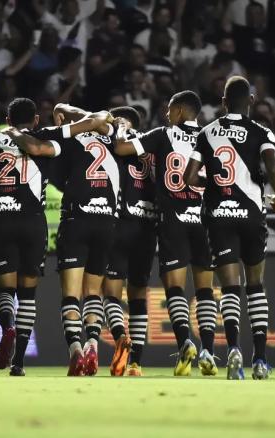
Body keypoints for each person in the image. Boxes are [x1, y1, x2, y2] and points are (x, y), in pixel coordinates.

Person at [0, 98, 111, 376]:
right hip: (33, 222)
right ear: (35, 120)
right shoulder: (46, 136)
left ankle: (7, 327)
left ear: (7, 120)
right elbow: (95, 121)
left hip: (1, 220)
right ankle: (18, 363)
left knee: (6, 291)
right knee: (28, 295)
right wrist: (97, 112)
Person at [184, 76, 275, 380]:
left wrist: (212, 184)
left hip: (220, 215)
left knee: (229, 287)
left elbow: (189, 177)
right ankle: (260, 359)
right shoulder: (262, 132)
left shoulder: (207, 132)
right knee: (255, 286)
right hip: (252, 215)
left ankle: (232, 351)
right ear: (251, 100)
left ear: (223, 102)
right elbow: (272, 166)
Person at [115, 92, 217, 377]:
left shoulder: (163, 134)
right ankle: (208, 349)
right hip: (203, 219)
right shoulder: (210, 137)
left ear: (182, 110)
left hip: (173, 219)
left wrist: (121, 128)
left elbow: (122, 149)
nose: (166, 113)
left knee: (175, 289)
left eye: (170, 108)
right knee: (205, 290)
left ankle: (185, 341)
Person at [50, 102, 119, 376]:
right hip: (106, 221)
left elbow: (55, 178)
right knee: (93, 292)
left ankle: (76, 350)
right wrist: (69, 109)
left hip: (77, 218)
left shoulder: (69, 138)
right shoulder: (110, 134)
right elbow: (105, 117)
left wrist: (62, 117)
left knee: (71, 294)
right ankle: (93, 342)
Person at [102, 106, 156, 377]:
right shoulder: (152, 143)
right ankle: (136, 363)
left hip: (121, 223)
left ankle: (121, 336)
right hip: (148, 228)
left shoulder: (118, 141)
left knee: (110, 293)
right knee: (138, 296)